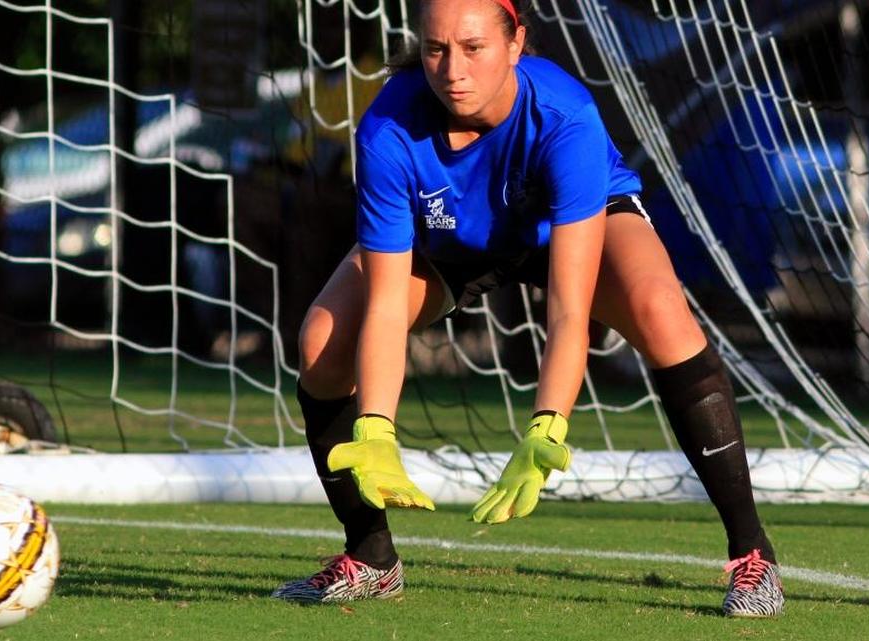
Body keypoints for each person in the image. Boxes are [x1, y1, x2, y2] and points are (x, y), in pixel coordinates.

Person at [271, 0, 784, 618]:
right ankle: (372, 558)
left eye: (473, 47)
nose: (452, 70)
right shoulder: (386, 129)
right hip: (452, 244)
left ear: (516, 43)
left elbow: (570, 310)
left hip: (559, 234)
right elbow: (384, 305)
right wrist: (375, 427)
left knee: (659, 308)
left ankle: (752, 555)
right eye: (436, 50)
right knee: (322, 343)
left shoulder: (566, 116)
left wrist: (547, 427)